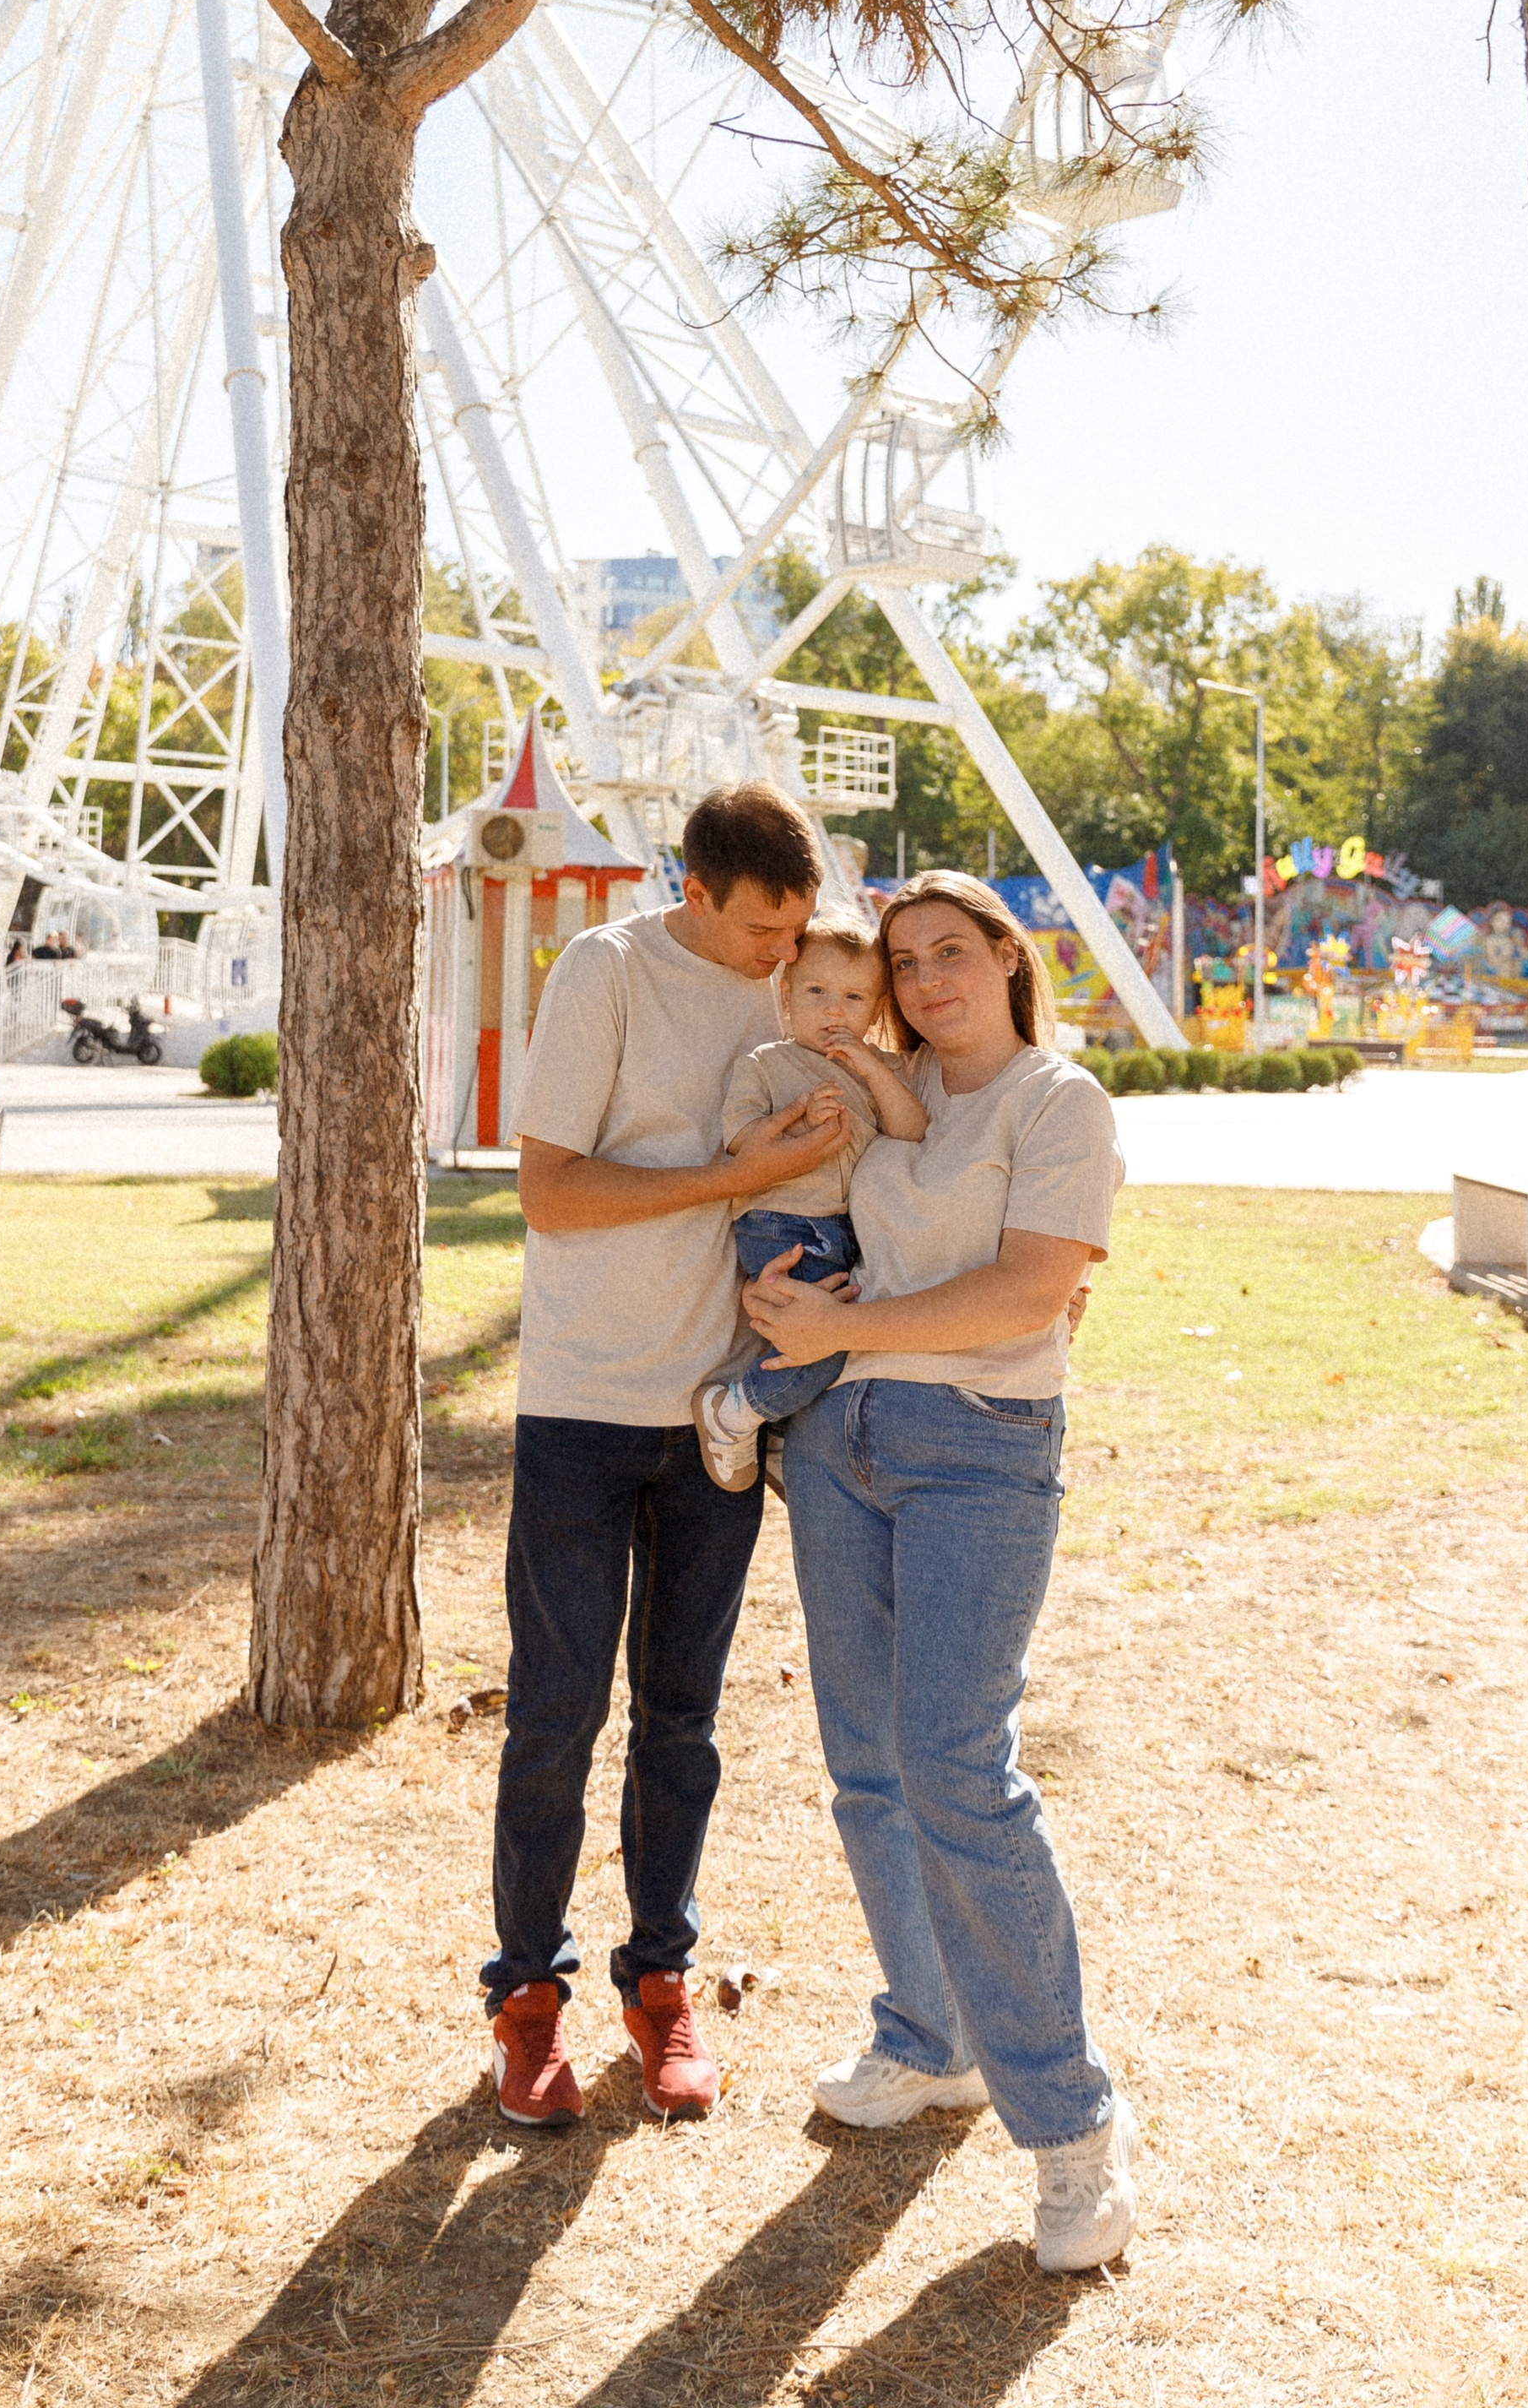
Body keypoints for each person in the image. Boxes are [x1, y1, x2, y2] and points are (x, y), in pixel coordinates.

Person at [741, 870, 1138, 2274]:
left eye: (949, 952)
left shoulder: (1057, 1104)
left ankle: (1077, 2137)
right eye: (904, 960)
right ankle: (931, 2040)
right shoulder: (892, 1097)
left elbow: (1034, 1288)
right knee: (867, 1763)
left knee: (958, 1768)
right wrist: (796, 1310)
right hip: (843, 1441)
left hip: (976, 1443)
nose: (923, 980)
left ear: (1005, 959)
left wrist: (845, 1336)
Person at [486, 781, 843, 2133]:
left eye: (798, 931)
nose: (784, 957)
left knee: (682, 1723)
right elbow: (552, 1191)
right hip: (583, 1405)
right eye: (763, 930)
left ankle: (662, 1983)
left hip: (721, 1416)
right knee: (553, 1721)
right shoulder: (607, 970)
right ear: (693, 892)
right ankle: (528, 2002)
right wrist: (728, 1178)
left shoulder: (796, 989)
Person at [691, 917, 926, 1495]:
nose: (833, 1011)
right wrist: (795, 1122)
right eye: (817, 993)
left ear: (874, 1012)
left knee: (848, 1338)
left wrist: (870, 1068)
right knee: (825, 1342)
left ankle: (776, 1431)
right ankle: (735, 1411)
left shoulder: (882, 1071)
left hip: (849, 1230)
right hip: (784, 1225)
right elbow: (741, 1140)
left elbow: (912, 1130)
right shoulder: (767, 1063)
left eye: (853, 998)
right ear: (787, 996)